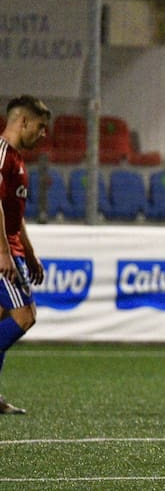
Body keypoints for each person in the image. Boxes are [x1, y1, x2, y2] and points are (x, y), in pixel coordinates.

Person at [0, 95, 52, 415]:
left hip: (13, 250)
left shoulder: (17, 161)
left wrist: (29, 255)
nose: (43, 134)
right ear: (23, 122)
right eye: (41, 127)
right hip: (1, 253)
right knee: (24, 315)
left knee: (5, 317)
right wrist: (3, 252)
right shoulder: (2, 154)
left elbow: (14, 216)